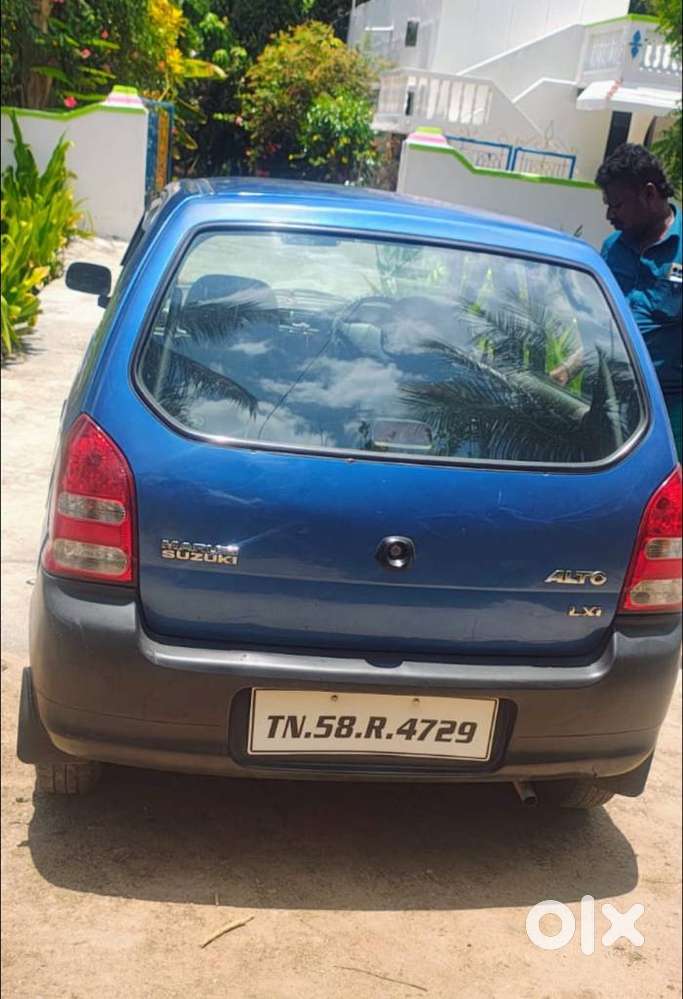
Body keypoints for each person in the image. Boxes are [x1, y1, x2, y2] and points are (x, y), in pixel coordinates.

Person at [594, 143, 682, 459]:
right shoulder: (612, 247)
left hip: (669, 411)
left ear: (648, 194)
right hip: (609, 398)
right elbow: (600, 317)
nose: (609, 215)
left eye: (616, 205)